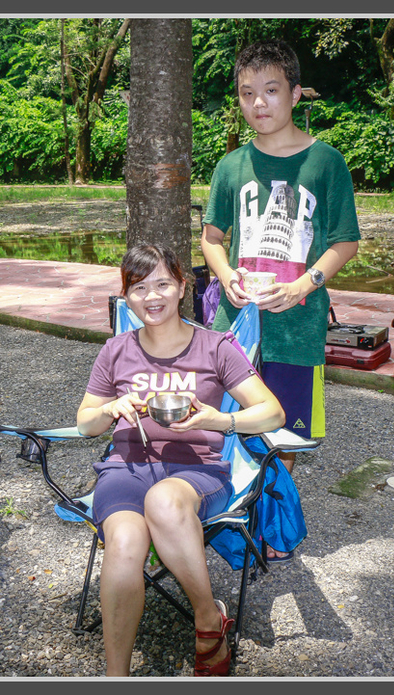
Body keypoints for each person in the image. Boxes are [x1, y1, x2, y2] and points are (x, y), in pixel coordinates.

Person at [76, 244, 285, 677]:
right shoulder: (115, 350)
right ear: (126, 296)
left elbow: (272, 413)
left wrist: (219, 419)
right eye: (139, 288)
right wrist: (109, 409)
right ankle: (116, 677)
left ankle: (206, 620)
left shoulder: (216, 347)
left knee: (164, 501)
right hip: (127, 469)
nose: (151, 297)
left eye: (162, 284)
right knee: (124, 542)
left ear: (182, 287)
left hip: (198, 472)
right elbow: (85, 424)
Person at [200, 39, 360, 561]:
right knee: (230, 421)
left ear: (294, 93)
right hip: (236, 328)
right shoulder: (231, 166)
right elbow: (212, 238)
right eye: (247, 93)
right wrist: (226, 276)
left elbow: (345, 241)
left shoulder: (325, 163)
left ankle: (271, 524)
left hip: (297, 328)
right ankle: (228, 514)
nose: (259, 103)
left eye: (270, 90)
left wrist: (302, 285)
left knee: (285, 434)